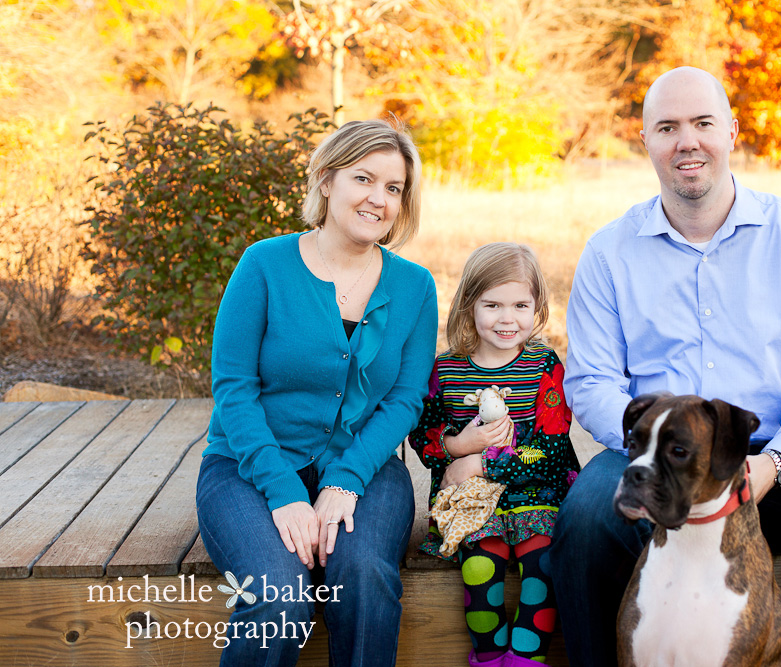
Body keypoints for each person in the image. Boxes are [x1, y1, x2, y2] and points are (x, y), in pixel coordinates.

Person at [548, 66, 781, 667]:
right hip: (654, 452)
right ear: (646, 142)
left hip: (767, 453)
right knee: (584, 525)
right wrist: (651, 451)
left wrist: (777, 462)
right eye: (667, 127)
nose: (687, 141)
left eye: (702, 124)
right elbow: (591, 383)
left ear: (732, 132)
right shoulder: (610, 252)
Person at [196, 118, 437, 666]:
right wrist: (284, 492)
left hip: (366, 468)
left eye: (394, 188)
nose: (378, 198)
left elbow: (404, 400)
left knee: (365, 579)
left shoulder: (415, 287)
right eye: (363, 179)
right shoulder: (264, 265)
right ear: (326, 181)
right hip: (246, 467)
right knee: (279, 597)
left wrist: (346, 481)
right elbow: (233, 389)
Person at [409, 242, 581, 667]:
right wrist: (457, 447)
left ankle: (526, 657)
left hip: (537, 493)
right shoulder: (446, 370)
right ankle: (488, 656)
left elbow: (553, 448)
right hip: (472, 500)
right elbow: (422, 437)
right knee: (480, 570)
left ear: (537, 306)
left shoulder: (544, 365)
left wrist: (483, 462)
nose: (508, 319)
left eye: (521, 305)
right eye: (493, 305)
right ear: (469, 305)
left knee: (542, 566)